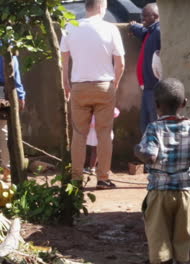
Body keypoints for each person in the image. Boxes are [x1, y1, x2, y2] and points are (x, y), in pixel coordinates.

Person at [134, 78, 190, 264]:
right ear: (184, 103)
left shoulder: (154, 128)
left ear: (157, 105)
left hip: (159, 193)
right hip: (186, 192)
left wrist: (136, 150)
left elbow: (150, 156)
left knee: (159, 243)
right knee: (183, 240)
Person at [60, 0, 125, 189]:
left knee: (79, 134)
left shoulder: (70, 26)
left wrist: (66, 83)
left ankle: (76, 179)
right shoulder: (110, 29)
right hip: (104, 86)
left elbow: (64, 60)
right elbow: (120, 63)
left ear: (86, 8)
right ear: (101, 7)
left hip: (78, 86)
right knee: (104, 134)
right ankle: (103, 178)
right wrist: (115, 83)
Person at [129, 3, 161, 133]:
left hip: (155, 88)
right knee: (146, 125)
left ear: (155, 16)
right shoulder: (150, 31)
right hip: (147, 88)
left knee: (154, 125)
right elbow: (141, 30)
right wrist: (132, 26)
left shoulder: (159, 32)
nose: (142, 20)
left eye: (145, 16)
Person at [0, 54, 25, 180]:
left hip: (3, 90)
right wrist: (21, 95)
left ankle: (7, 169)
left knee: (3, 131)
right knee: (3, 131)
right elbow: (15, 73)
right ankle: (7, 169)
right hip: (3, 89)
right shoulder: (7, 46)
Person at [84, 107, 120, 176]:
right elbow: (115, 113)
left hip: (98, 130)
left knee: (96, 150)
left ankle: (94, 168)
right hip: (101, 130)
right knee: (99, 150)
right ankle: (99, 168)